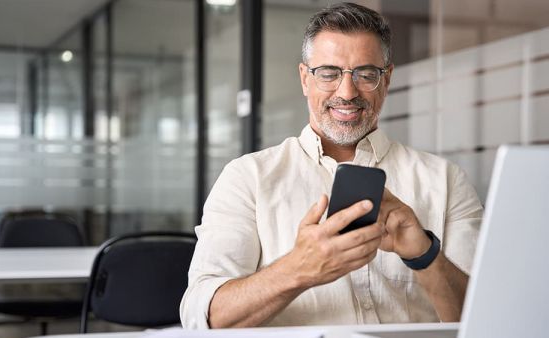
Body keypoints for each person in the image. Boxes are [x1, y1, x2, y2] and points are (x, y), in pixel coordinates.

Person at [180, 2, 482, 329]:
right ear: (304, 79)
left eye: (366, 74)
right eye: (328, 73)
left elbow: (490, 317)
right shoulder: (248, 178)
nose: (347, 92)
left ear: (387, 79)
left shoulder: (446, 180)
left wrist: (425, 255)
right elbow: (204, 317)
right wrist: (298, 268)